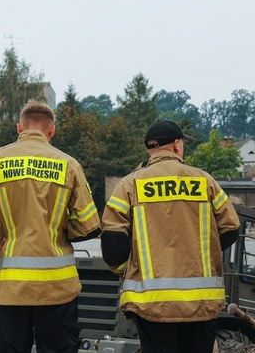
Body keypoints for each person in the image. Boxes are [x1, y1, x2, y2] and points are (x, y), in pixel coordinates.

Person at [0, 100, 101, 353]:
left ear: (19, 127)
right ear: (51, 131)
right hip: (58, 289)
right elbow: (90, 225)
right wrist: (61, 229)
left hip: (12, 289)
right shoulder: (68, 164)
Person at [101, 119, 240, 353]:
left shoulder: (130, 184)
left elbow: (112, 242)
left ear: (149, 148)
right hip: (201, 301)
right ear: (177, 145)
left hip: (152, 303)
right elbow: (231, 227)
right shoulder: (204, 181)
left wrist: (129, 268)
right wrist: (204, 254)